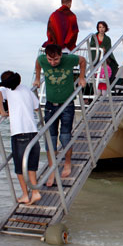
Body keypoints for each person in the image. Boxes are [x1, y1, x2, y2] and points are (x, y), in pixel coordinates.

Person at [33, 44, 87, 183]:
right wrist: (38, 78)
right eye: (50, 60)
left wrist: (82, 77)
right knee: (50, 139)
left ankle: (67, 163)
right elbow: (38, 63)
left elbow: (83, 61)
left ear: (61, 55)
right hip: (50, 105)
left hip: (67, 104)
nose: (52, 63)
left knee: (64, 137)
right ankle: (52, 170)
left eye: (56, 60)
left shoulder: (69, 59)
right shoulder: (42, 59)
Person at [0, 71, 41, 205]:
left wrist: (3, 112)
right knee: (31, 165)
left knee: (20, 167)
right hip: (33, 131)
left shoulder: (5, 88)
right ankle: (35, 192)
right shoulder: (26, 88)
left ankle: (26, 195)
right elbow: (37, 107)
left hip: (19, 132)